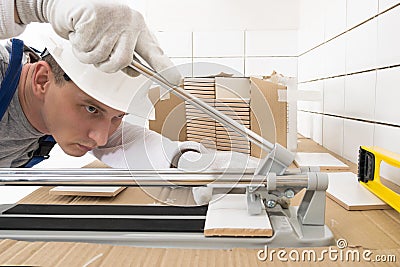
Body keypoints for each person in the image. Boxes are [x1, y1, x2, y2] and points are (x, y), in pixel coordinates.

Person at [0, 0, 259, 204]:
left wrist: (197, 164)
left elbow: (130, 145)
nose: (100, 137)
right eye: (91, 108)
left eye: (117, 117)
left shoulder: (62, 116)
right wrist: (28, 5)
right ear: (43, 79)